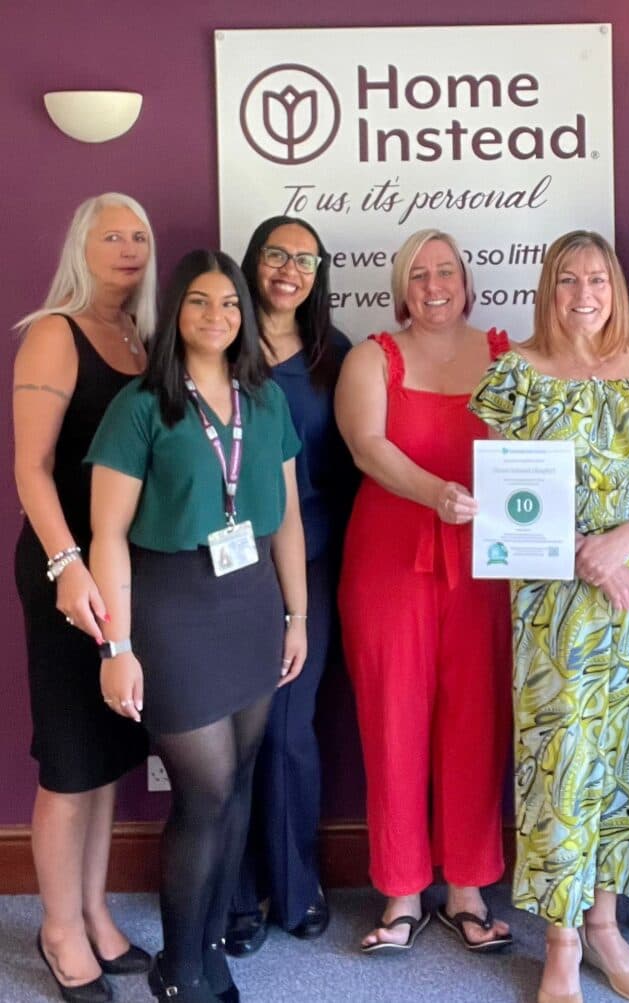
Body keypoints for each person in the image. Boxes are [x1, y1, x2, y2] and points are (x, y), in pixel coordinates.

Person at [469, 230, 629, 1003]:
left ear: (617, 288)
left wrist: (620, 544)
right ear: (548, 289)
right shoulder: (516, 375)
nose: (584, 294)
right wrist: (584, 553)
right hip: (555, 602)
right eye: (568, 280)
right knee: (562, 760)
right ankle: (561, 942)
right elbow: (511, 494)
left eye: (598, 279)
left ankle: (605, 925)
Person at [87, 250, 308, 1003]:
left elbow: (287, 521)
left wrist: (297, 615)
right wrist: (117, 645)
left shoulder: (264, 400)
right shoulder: (142, 405)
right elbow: (107, 535)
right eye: (200, 302)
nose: (217, 316)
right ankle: (179, 967)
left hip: (252, 607)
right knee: (204, 789)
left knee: (239, 780)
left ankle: (211, 947)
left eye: (230, 303)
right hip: (172, 609)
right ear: (175, 311)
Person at [335, 228, 513, 954]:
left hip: (486, 563)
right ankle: (402, 888)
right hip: (389, 561)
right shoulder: (371, 358)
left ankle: (468, 886)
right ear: (401, 289)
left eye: (445, 272)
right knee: (393, 718)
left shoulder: (508, 355)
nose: (434, 286)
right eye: (418, 274)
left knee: (478, 718)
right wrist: (435, 492)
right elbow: (367, 447)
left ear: (466, 282)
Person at [13, 193, 156, 1003]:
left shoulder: (139, 336)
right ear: (82, 245)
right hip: (65, 569)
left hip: (121, 570)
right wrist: (67, 565)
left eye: (139, 235)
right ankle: (58, 927)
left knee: (107, 753)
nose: (128, 247)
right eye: (112, 235)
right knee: (71, 759)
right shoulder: (54, 332)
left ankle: (95, 909)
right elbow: (31, 467)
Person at [224, 216, 357, 955]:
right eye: (277, 254)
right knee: (229, 732)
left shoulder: (333, 355)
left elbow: (351, 463)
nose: (290, 270)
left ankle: (295, 883)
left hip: (310, 557)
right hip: (223, 569)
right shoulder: (215, 337)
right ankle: (236, 893)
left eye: (306, 260)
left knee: (287, 727)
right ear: (253, 261)